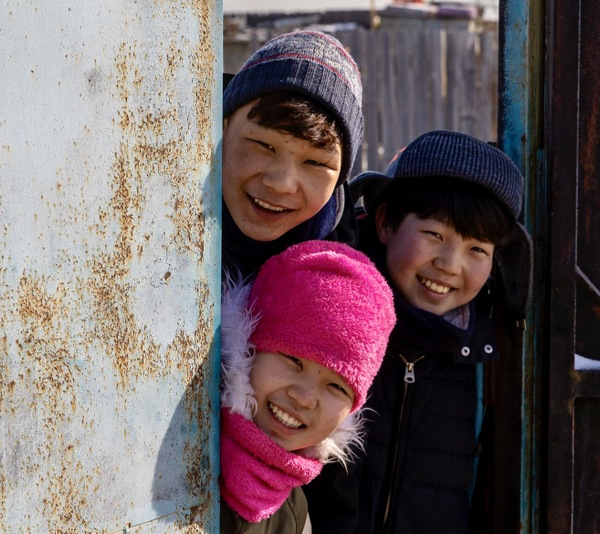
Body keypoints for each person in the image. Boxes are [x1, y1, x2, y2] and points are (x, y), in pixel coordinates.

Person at [302, 130, 533, 533]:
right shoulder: (327, 323)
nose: (449, 264)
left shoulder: (489, 361)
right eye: (435, 235)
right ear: (385, 223)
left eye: (477, 249)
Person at [219, 240, 396, 533]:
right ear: (246, 347)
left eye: (337, 387)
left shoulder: (295, 515)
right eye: (292, 359)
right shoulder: (177, 441)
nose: (304, 398)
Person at [222, 30, 365, 278]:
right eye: (264, 145)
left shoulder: (344, 278)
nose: (282, 184)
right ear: (222, 129)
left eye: (315, 162)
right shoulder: (155, 221)